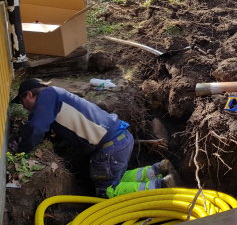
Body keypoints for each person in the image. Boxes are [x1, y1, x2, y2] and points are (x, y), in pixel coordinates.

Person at [9, 78, 176, 198]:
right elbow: (45, 125)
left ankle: (161, 186)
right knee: (116, 177)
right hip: (120, 138)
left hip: (109, 148)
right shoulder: (56, 95)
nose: (26, 110)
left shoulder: (46, 97)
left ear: (29, 95)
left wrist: (22, 148)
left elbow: (37, 126)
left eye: (23, 104)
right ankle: (156, 170)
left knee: (107, 191)